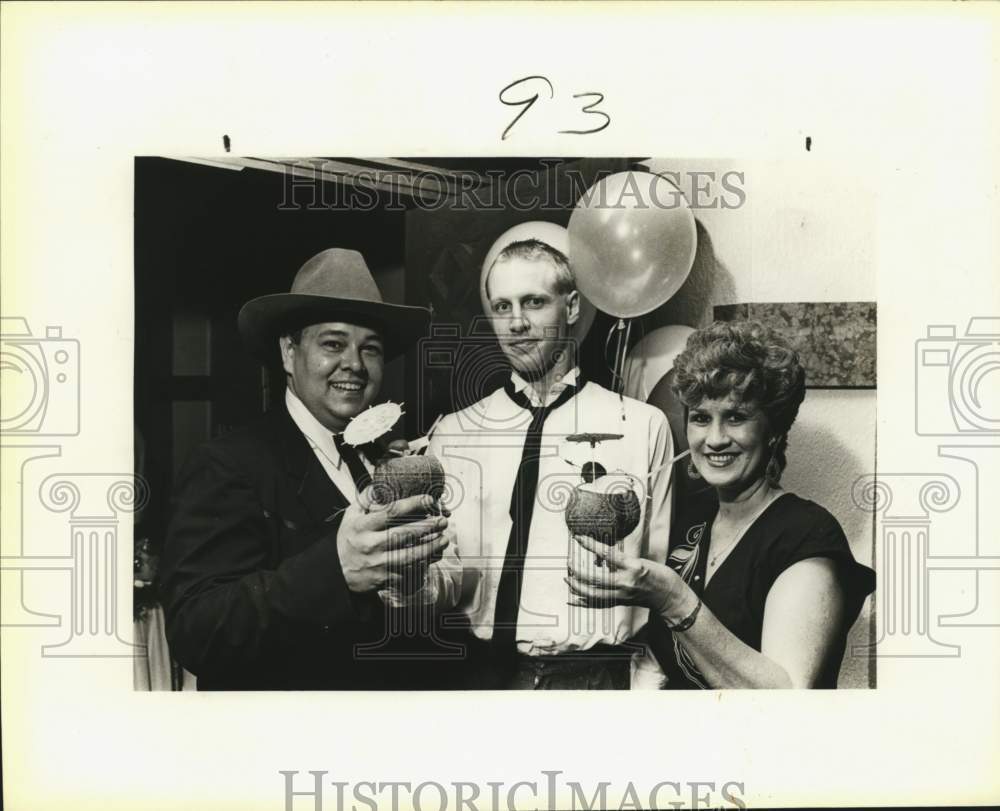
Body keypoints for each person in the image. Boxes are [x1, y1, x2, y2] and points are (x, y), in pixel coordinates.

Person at [160, 248, 450, 690]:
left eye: (370, 349)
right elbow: (197, 630)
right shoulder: (227, 463)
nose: (354, 363)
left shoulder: (383, 460)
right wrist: (336, 569)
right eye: (333, 344)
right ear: (288, 353)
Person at [393, 237, 673, 689]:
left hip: (592, 684)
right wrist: (406, 579)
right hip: (477, 678)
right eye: (502, 307)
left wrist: (643, 698)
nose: (517, 323)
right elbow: (448, 580)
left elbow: (660, 583)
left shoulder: (642, 426)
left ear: (573, 307)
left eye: (534, 302)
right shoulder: (454, 432)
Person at [566, 319, 876, 688]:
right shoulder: (692, 520)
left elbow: (784, 699)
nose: (714, 439)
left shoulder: (806, 535)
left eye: (736, 418)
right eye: (700, 418)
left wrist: (673, 600)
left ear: (773, 430)